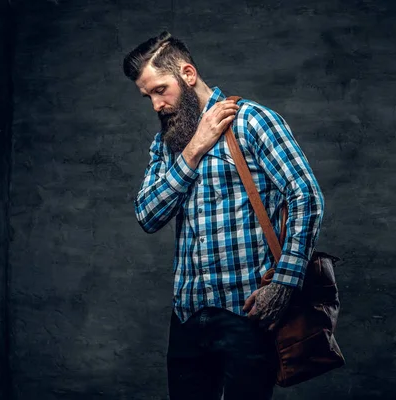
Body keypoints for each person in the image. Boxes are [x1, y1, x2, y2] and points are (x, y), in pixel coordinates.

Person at [123, 31, 325, 400]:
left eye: (159, 90)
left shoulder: (252, 121)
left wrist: (284, 282)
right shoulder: (167, 142)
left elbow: (306, 196)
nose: (156, 104)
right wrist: (195, 148)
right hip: (187, 316)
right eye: (147, 96)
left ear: (187, 73)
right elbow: (147, 216)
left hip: (246, 314)